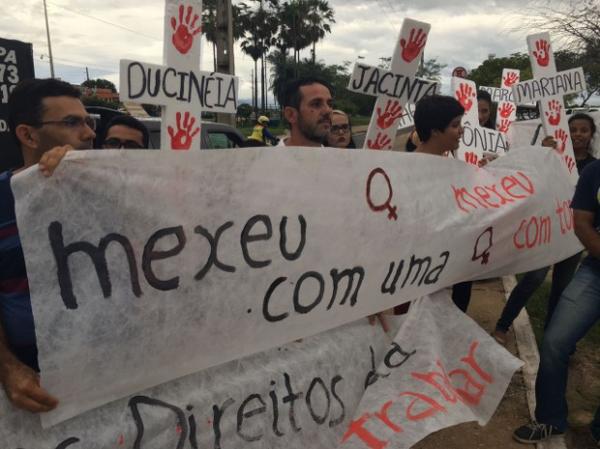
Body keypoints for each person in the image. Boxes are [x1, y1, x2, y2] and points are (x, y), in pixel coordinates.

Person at [1, 78, 96, 413]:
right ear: (28, 135)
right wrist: (8, 368)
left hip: (109, 374)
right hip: (32, 390)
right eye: (71, 123)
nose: (88, 134)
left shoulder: (106, 187)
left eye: (88, 122)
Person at [512, 141, 600, 445]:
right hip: (595, 273)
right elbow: (581, 223)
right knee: (554, 342)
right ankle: (551, 419)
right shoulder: (595, 172)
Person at [493, 113, 597, 345]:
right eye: (573, 129)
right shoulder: (553, 156)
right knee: (534, 278)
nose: (578, 134)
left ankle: (552, 338)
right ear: (565, 132)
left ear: (591, 135)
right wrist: (543, 153)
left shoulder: (593, 168)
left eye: (584, 130)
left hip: (574, 237)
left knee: (561, 287)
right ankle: (502, 325)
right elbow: (533, 180)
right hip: (547, 231)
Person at [279, 77, 333, 147]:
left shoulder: (338, 157)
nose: (328, 110)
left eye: (330, 104)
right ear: (290, 115)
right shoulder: (268, 157)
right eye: (316, 104)